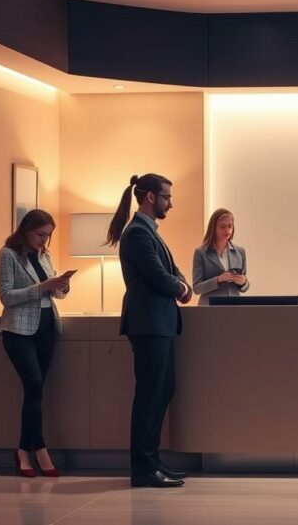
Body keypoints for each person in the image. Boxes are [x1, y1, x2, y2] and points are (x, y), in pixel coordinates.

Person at [106, 173, 192, 488]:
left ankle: (153, 462)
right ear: (150, 197)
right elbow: (159, 276)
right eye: (167, 197)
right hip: (149, 323)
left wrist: (181, 283)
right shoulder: (137, 234)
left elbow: (172, 270)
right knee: (149, 396)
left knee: (162, 391)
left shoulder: (148, 231)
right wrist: (181, 287)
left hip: (159, 323)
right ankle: (143, 469)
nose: (171, 203)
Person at [0, 209, 72, 477]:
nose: (44, 240)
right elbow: (6, 296)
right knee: (34, 385)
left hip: (46, 327)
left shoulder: (45, 255)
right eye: (41, 234)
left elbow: (56, 296)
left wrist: (61, 286)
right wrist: (42, 287)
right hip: (18, 330)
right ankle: (39, 448)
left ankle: (22, 450)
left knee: (35, 392)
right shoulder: (8, 255)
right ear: (26, 230)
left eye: (48, 235)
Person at [192, 208, 249, 305]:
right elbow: (197, 288)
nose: (227, 230)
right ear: (213, 228)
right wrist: (218, 279)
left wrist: (243, 282)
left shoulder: (240, 252)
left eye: (230, 226)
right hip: (209, 307)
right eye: (222, 227)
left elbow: (245, 287)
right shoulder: (201, 252)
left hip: (234, 307)